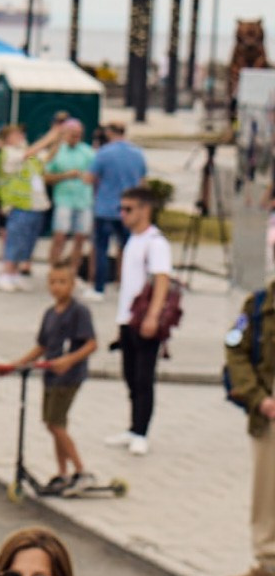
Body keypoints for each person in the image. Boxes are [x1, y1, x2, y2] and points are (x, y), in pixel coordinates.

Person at [0, 261, 100, 494]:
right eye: (52, 282)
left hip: (69, 376)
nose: (56, 287)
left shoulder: (79, 312)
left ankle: (82, 472)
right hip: (50, 376)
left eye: (62, 282)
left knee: (55, 423)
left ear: (72, 285)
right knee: (55, 424)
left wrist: (69, 360)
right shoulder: (50, 314)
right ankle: (62, 472)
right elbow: (42, 346)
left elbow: (91, 344)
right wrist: (15, 365)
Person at [108, 185, 174, 458]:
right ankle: (133, 426)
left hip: (145, 319)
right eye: (121, 209)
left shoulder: (156, 243)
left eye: (129, 209)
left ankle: (141, 432)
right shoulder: (132, 240)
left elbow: (161, 281)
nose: (123, 214)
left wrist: (153, 316)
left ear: (145, 210)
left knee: (144, 378)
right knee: (130, 375)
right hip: (127, 318)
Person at [231, 280, 275, 576]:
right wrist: (257, 396)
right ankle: (268, 561)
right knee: (266, 489)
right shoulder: (258, 305)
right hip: (269, 410)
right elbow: (235, 347)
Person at [0, 122, 53, 292]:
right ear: (6, 139)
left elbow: (45, 158)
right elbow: (29, 153)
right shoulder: (8, 153)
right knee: (15, 239)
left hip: (35, 204)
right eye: (15, 134)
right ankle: (6, 273)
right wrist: (52, 135)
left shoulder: (27, 154)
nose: (21, 137)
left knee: (27, 241)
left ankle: (15, 273)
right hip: (19, 204)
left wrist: (57, 142)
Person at [90, 122, 149, 296]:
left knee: (101, 248)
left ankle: (99, 288)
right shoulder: (137, 153)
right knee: (128, 248)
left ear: (109, 133)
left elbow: (89, 177)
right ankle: (127, 283)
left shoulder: (104, 153)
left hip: (105, 207)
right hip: (130, 209)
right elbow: (142, 182)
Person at [43, 117, 97, 277]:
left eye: (78, 135)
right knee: (59, 237)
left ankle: (73, 272)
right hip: (64, 200)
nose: (75, 138)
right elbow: (46, 176)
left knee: (80, 238)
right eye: (72, 134)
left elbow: (96, 175)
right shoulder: (58, 151)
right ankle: (54, 269)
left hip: (84, 201)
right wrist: (65, 175)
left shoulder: (88, 152)